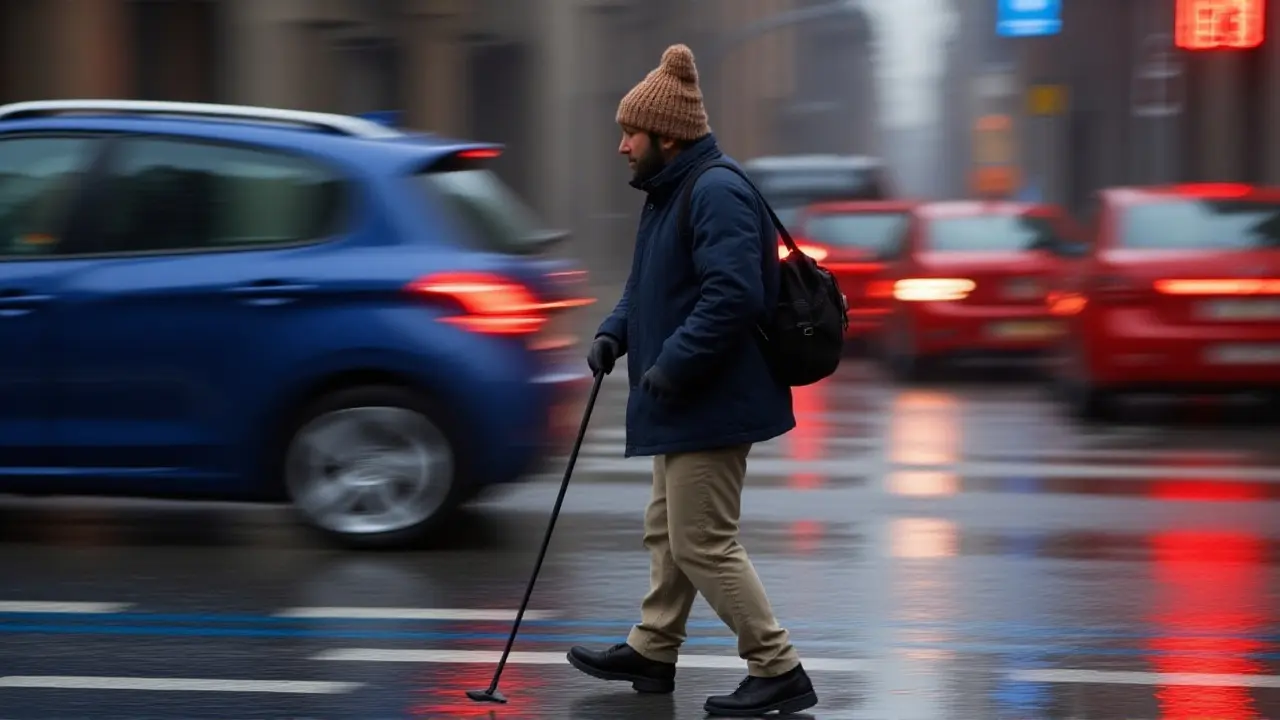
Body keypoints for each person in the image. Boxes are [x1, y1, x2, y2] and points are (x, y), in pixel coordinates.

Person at [566, 43, 818, 717]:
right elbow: (647, 284)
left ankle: (778, 666)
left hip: (711, 395)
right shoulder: (670, 192)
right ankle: (653, 648)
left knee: (702, 541)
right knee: (666, 529)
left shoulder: (717, 192)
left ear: (667, 137)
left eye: (630, 132)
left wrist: (673, 361)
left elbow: (732, 295)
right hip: (685, 395)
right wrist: (614, 331)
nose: (622, 146)